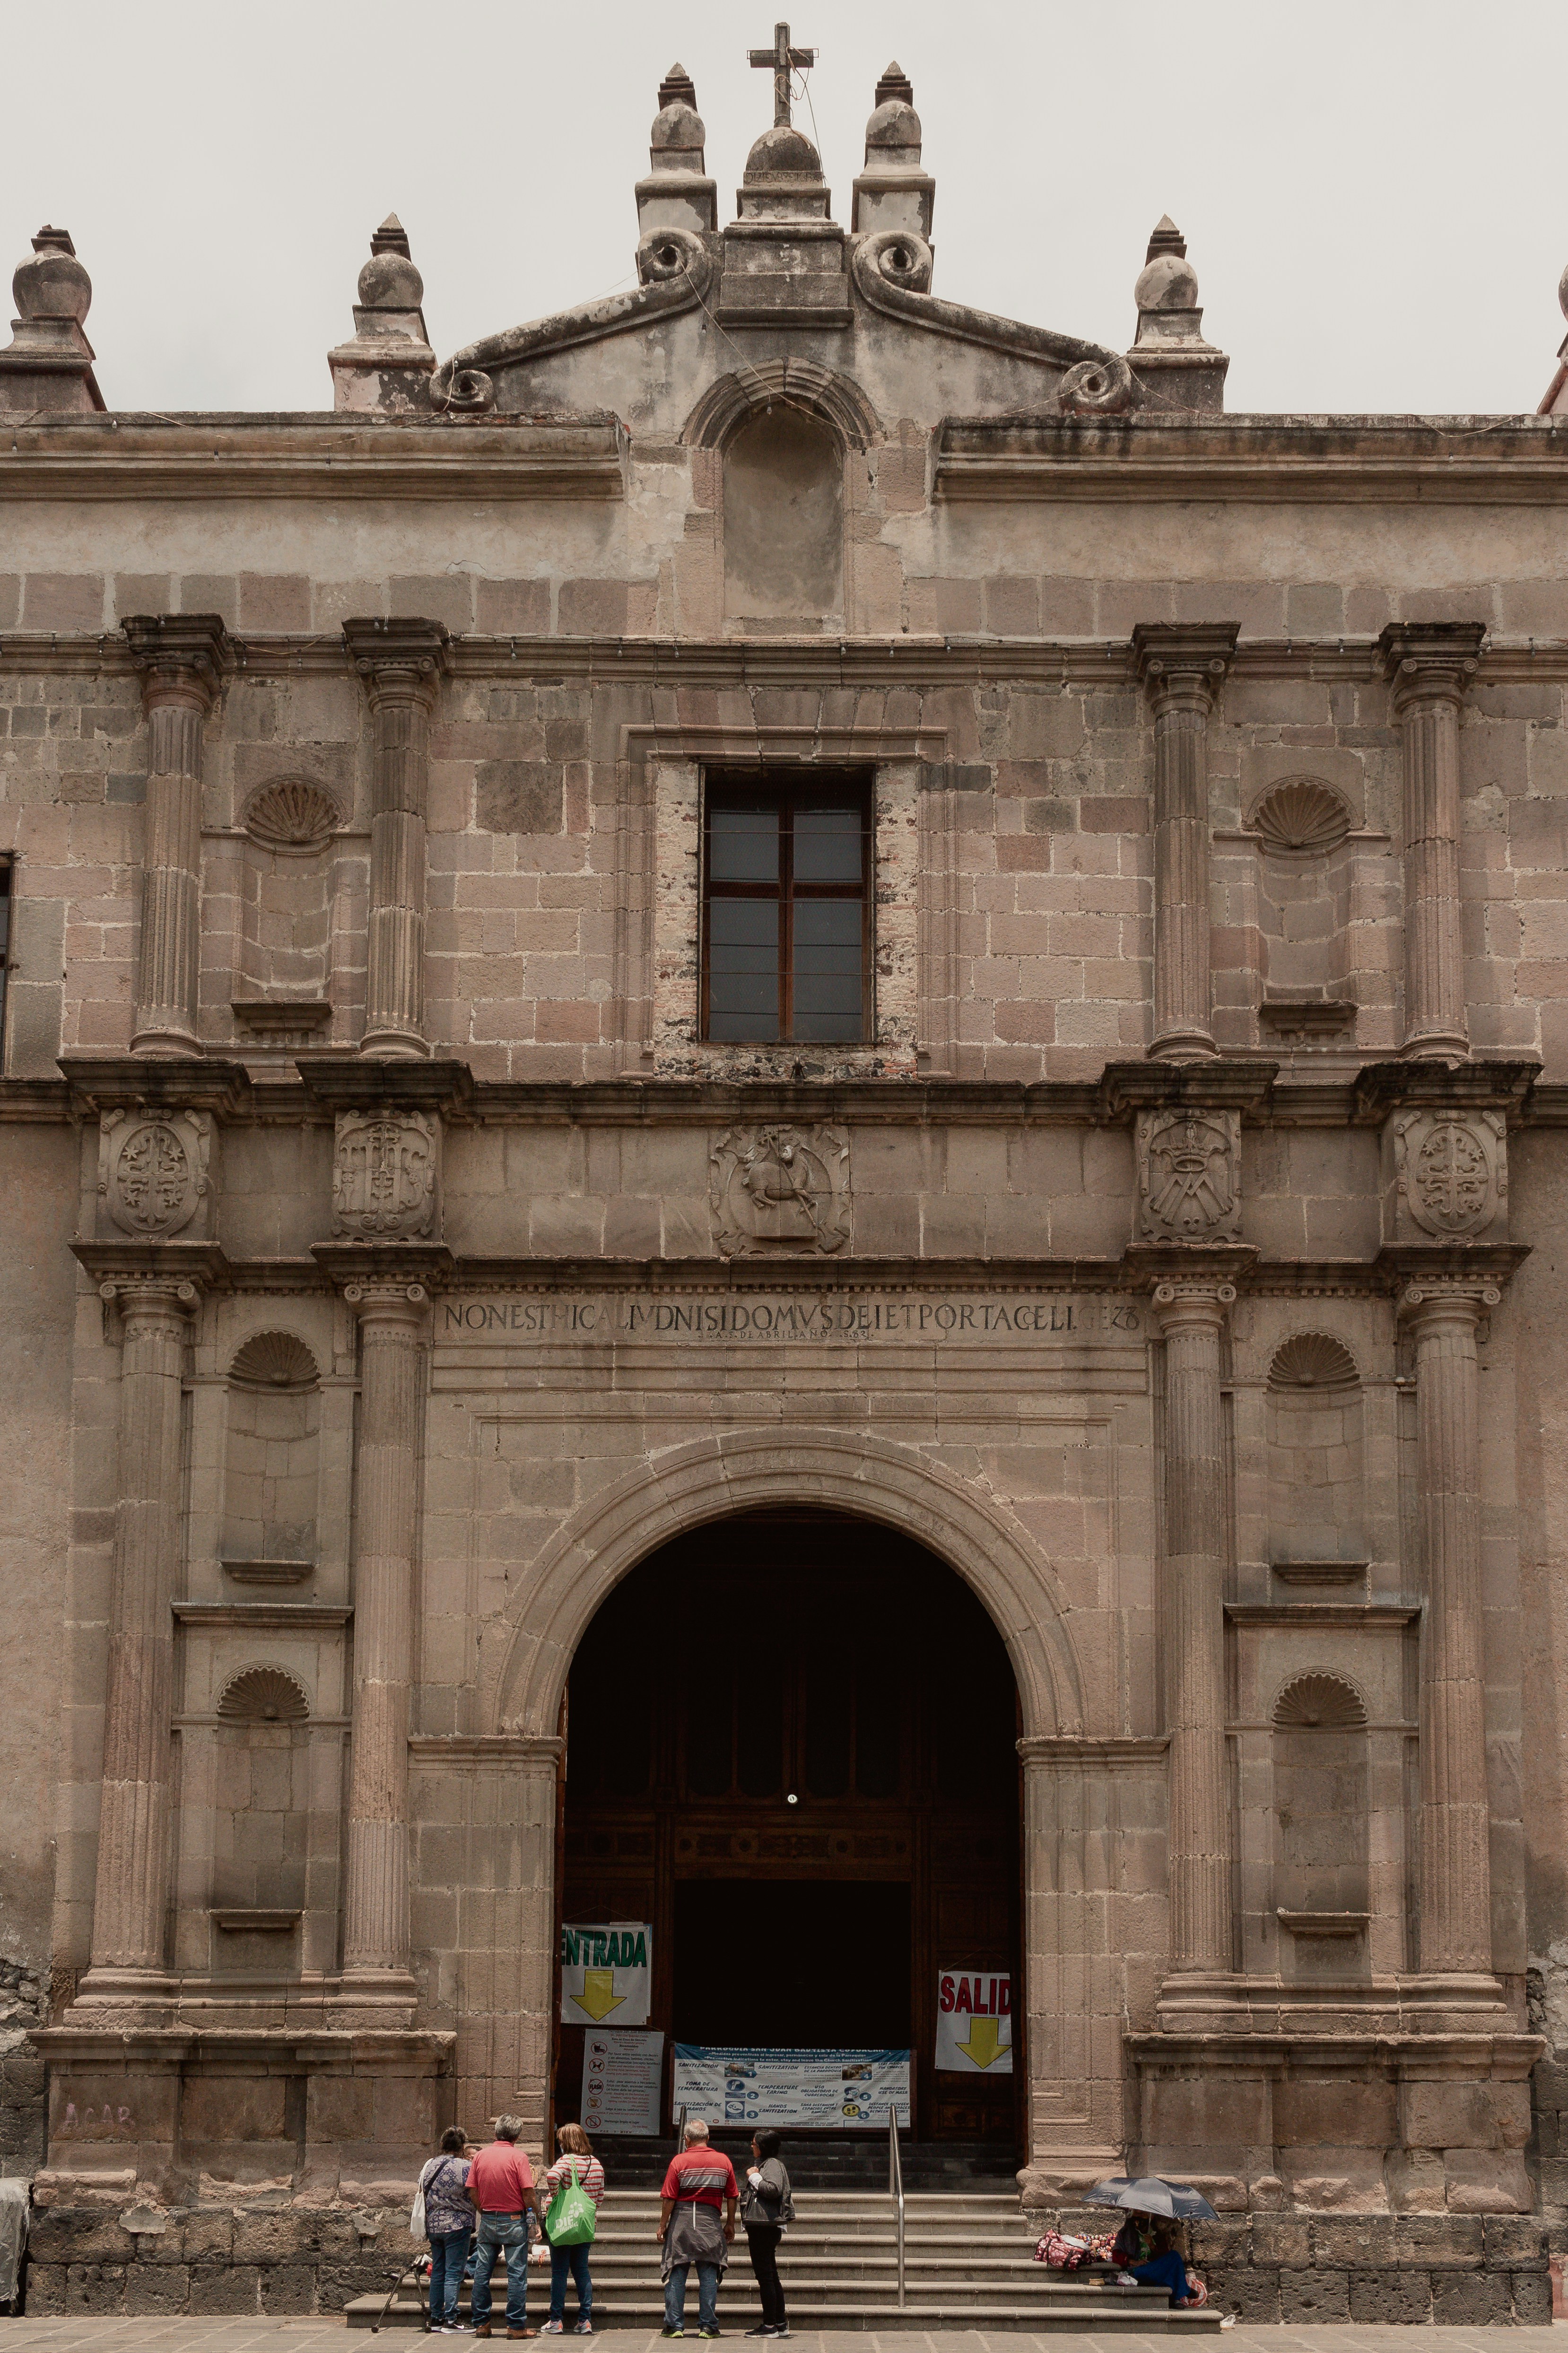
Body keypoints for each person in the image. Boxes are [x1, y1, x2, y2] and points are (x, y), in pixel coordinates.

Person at [465, 2115, 547, 2340]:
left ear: (496, 2133)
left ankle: (482, 2324)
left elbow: (472, 2190)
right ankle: (515, 2326)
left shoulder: (480, 2156)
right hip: (514, 2221)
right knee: (517, 2276)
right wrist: (536, 2219)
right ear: (517, 2136)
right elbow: (528, 2193)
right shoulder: (519, 2157)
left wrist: (484, 2210)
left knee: (482, 2274)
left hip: (489, 2220)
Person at [658, 2117, 737, 2340]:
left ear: (686, 2139)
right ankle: (708, 2326)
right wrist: (730, 2223)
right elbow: (732, 2195)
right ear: (708, 2138)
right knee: (708, 2276)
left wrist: (663, 2224)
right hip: (710, 2224)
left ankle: (674, 2326)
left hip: (681, 2223)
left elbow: (669, 2198)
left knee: (677, 2274)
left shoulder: (679, 2162)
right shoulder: (724, 2161)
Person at [541, 2122, 606, 2336]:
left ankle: (556, 2320)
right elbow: (600, 2197)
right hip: (585, 2225)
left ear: (566, 2142)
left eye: (561, 2141)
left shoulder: (566, 2161)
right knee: (582, 2270)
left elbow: (552, 2176)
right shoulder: (596, 2164)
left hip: (563, 2223)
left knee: (559, 2272)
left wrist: (557, 2194)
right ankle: (585, 2320)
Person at [421, 2126, 475, 2333]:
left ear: (443, 2144)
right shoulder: (465, 2167)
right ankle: (451, 2319)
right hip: (457, 2225)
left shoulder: (429, 2165)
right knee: (454, 2272)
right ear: (462, 2147)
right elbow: (474, 2192)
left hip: (434, 2225)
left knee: (438, 2272)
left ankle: (436, 2318)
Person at [739, 2130, 792, 2339]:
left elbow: (773, 2189)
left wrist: (754, 2177)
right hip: (763, 2227)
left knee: (766, 2277)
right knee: (771, 2275)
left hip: (764, 2227)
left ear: (762, 2146)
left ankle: (770, 2325)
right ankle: (780, 2323)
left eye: (754, 2144)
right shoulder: (770, 2164)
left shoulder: (771, 2165)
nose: (751, 2147)